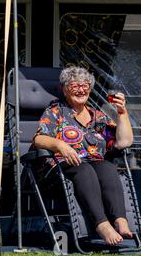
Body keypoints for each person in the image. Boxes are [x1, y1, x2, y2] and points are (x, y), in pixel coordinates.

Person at [32, 66, 134, 246]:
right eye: (74, 86)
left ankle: (120, 220)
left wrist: (122, 113)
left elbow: (124, 142)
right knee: (85, 169)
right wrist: (60, 145)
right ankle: (102, 224)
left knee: (108, 167)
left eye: (85, 86)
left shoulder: (98, 116)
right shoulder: (56, 112)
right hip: (58, 171)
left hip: (93, 167)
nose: (80, 90)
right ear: (64, 89)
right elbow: (39, 139)